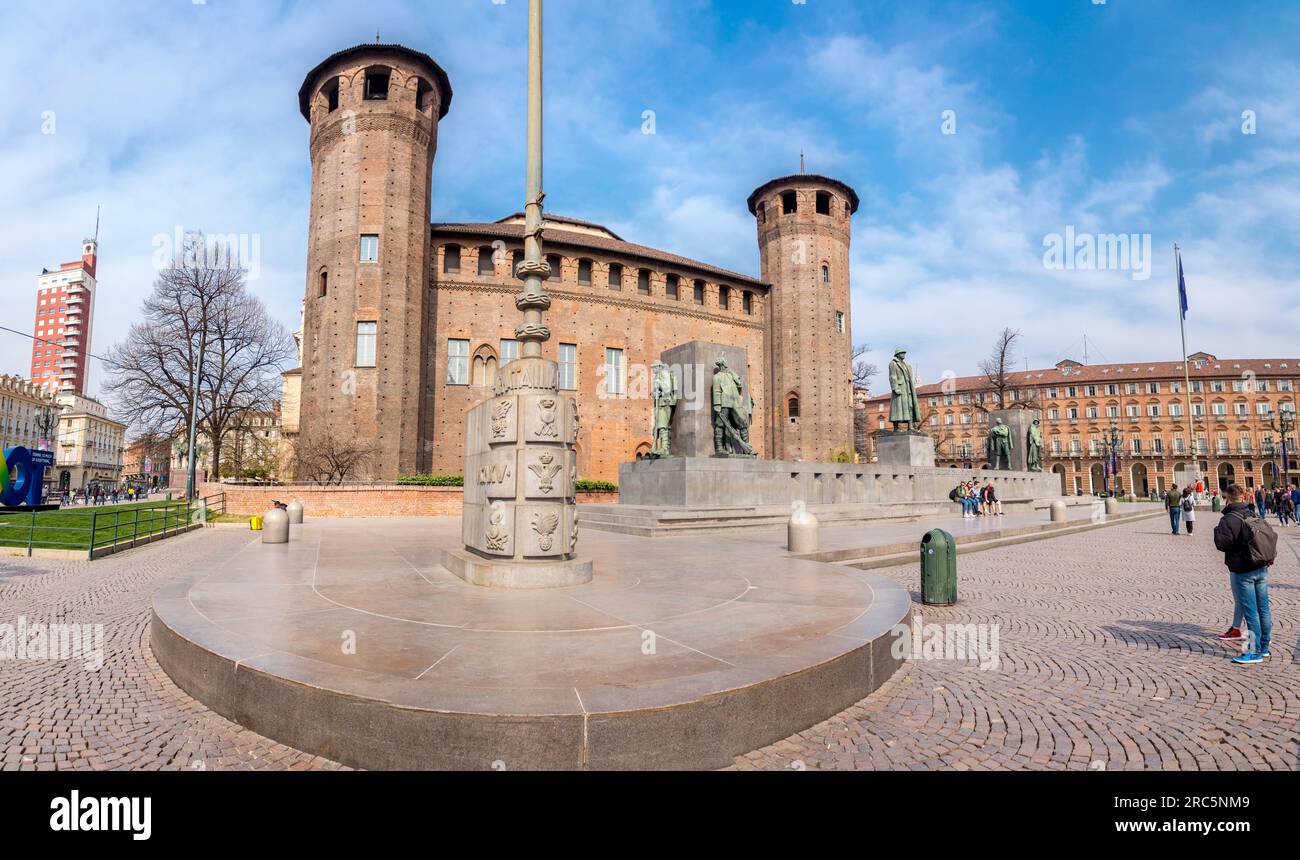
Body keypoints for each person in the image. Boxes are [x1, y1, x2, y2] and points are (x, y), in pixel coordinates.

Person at [1213, 484, 1274, 664]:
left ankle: (1254, 653)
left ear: (1228, 498)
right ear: (1244, 496)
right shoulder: (1252, 513)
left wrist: (1216, 532)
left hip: (1243, 570)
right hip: (1261, 566)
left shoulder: (1229, 519)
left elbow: (1223, 544)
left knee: (1251, 611)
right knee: (1263, 608)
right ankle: (1264, 647)